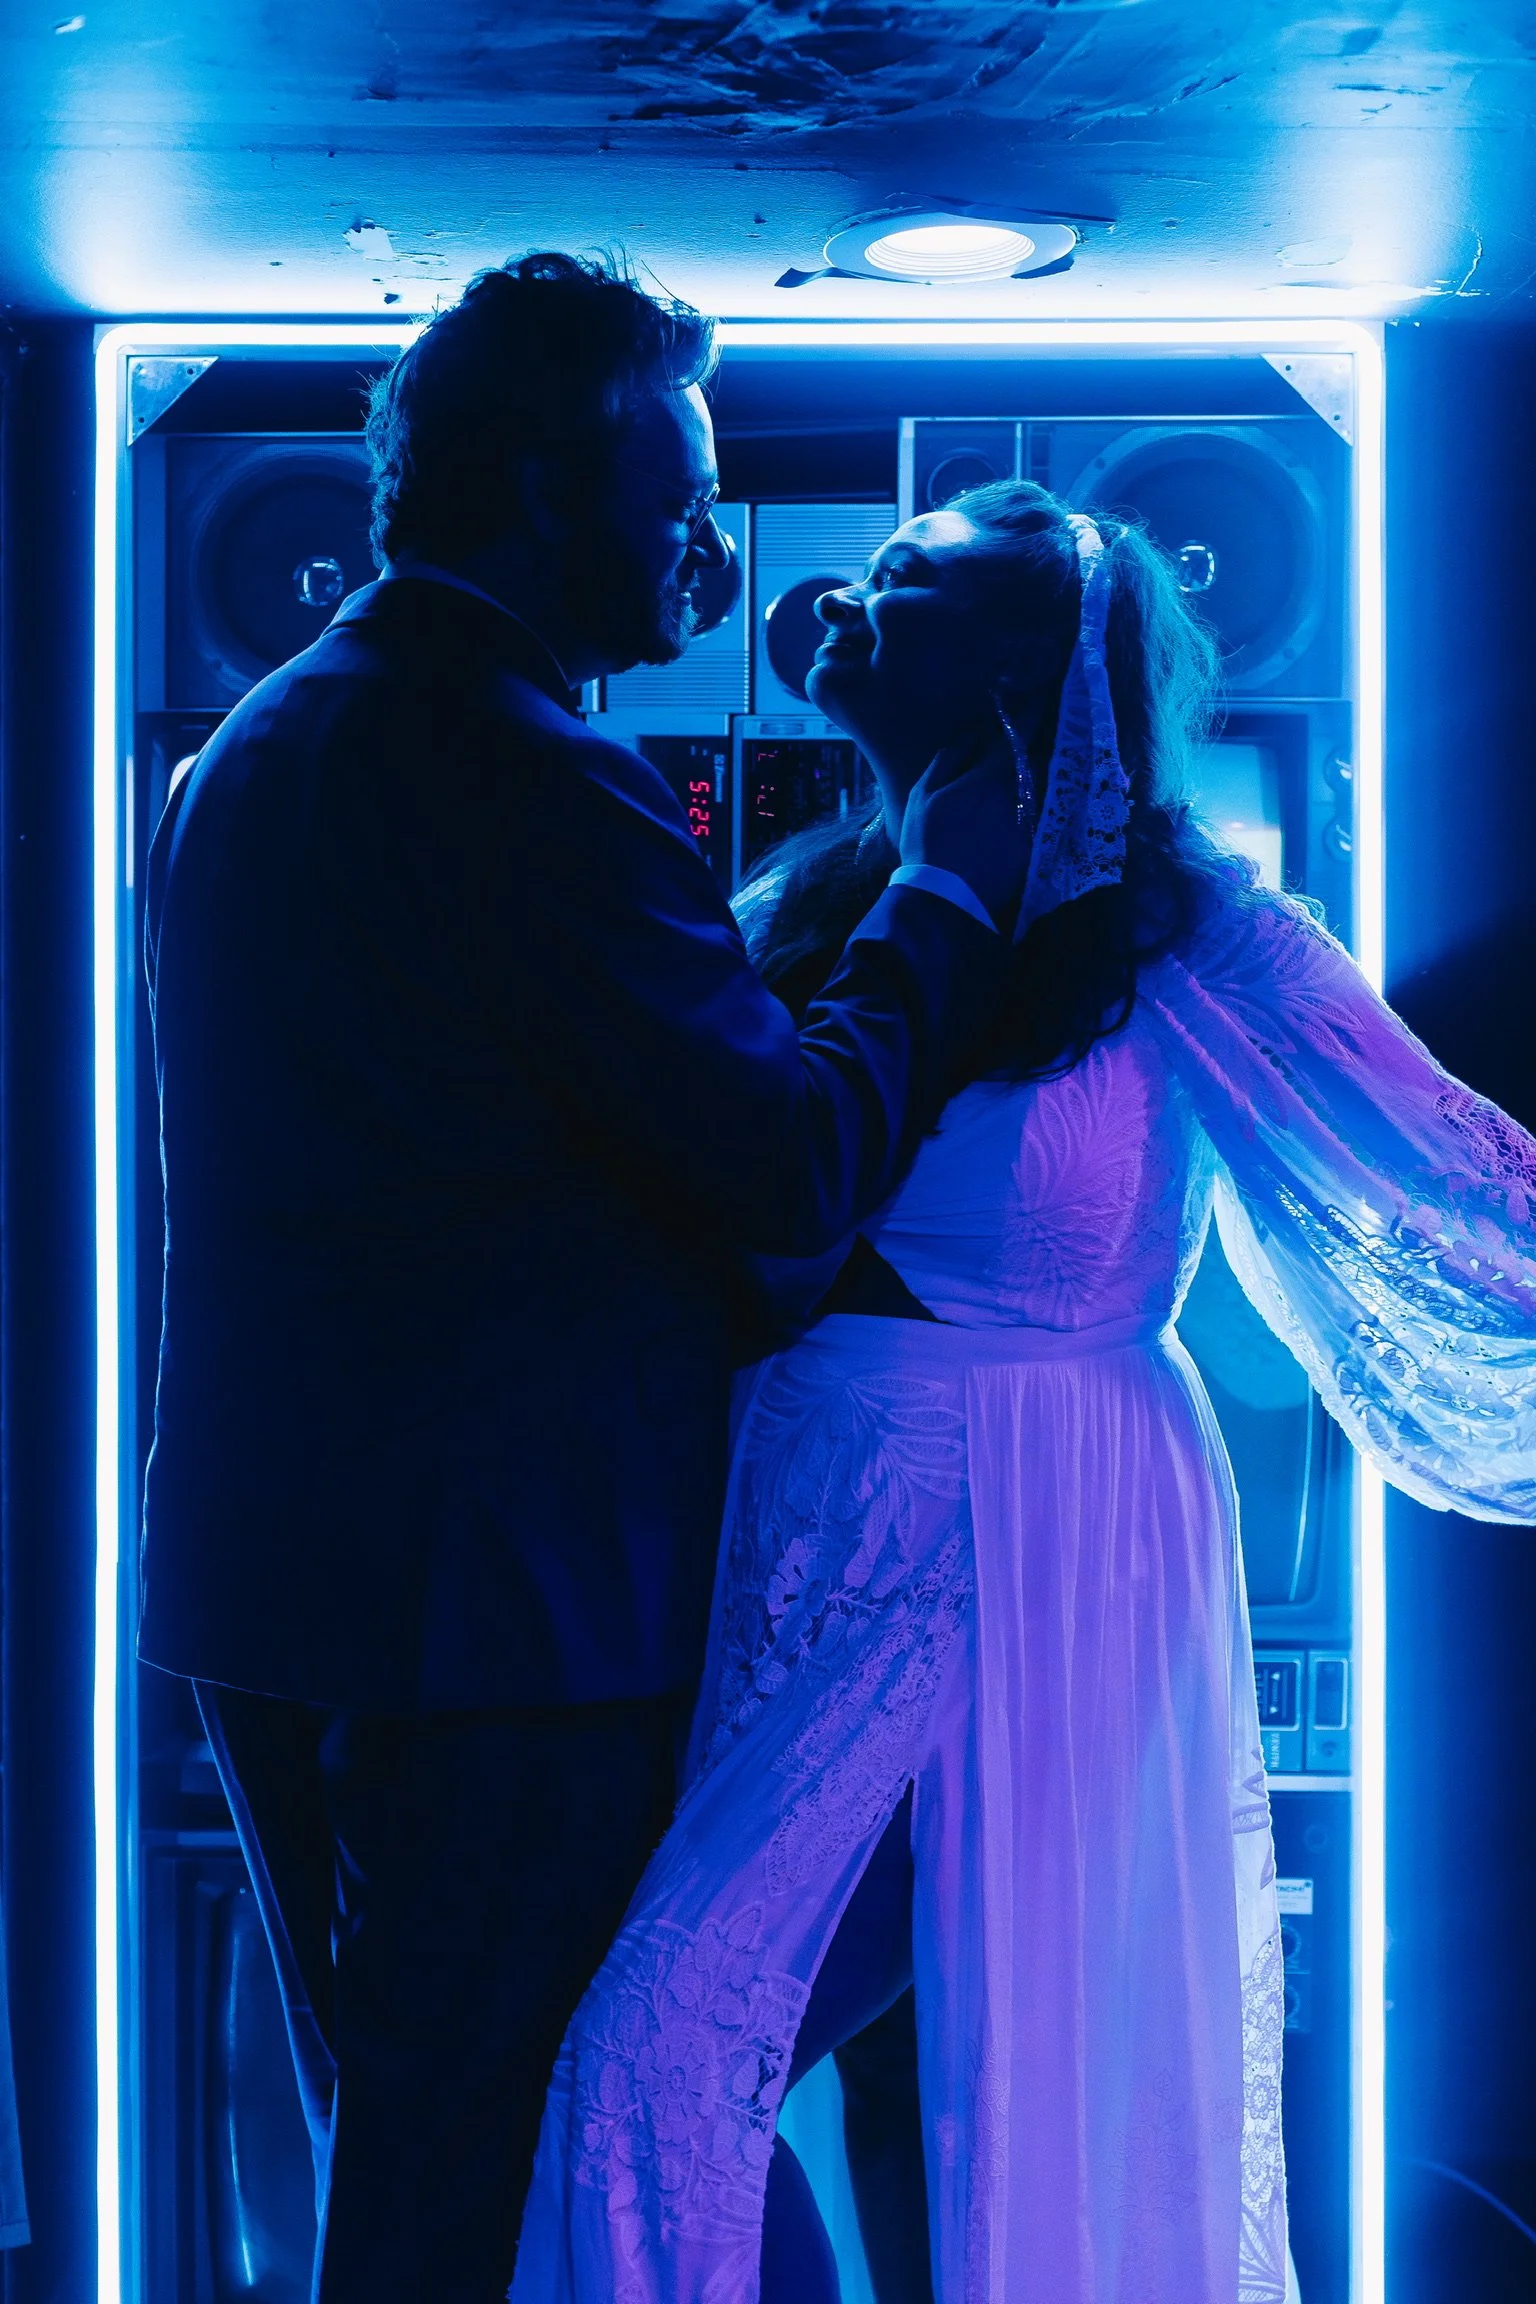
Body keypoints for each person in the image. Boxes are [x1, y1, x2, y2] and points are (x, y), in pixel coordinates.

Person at [512, 480, 1536, 2304]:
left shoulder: (1196, 934)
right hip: (800, 1526)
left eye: (913, 580)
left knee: (720, 2055)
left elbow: (1466, 1188)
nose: (850, 592)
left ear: (1019, 667)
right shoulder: (831, 894)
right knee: (732, 2067)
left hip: (1043, 1538)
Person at [138, 255, 1030, 2303]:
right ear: (549, 488)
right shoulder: (528, 769)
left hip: (295, 1597)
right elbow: (792, 1167)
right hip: (506, 1626)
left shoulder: (264, 745)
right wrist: (945, 889)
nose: (705, 543)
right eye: (677, 492)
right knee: (503, 2169)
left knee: (426, 2138)